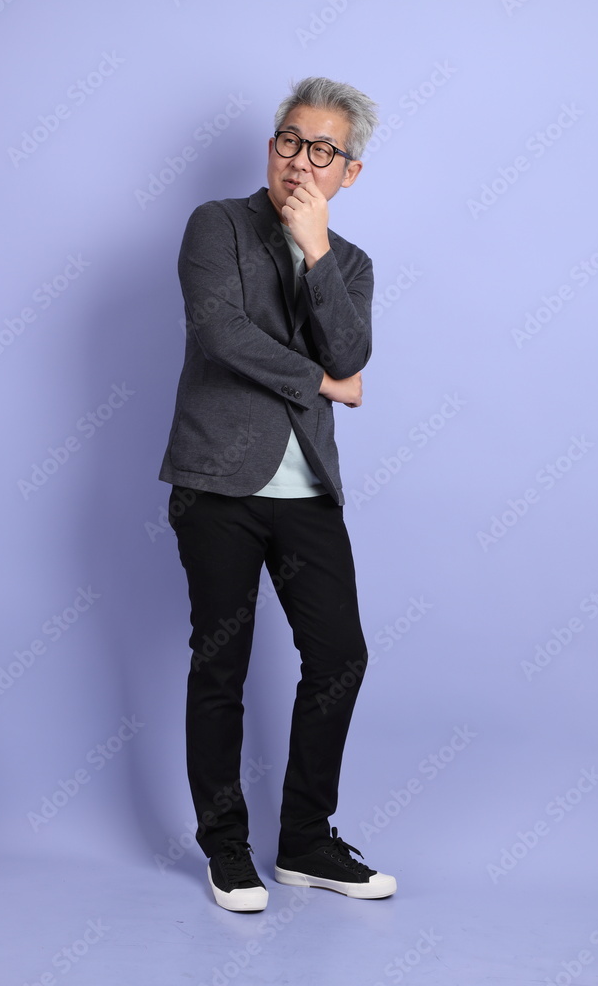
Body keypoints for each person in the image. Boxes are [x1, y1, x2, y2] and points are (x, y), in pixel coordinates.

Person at [159, 77, 396, 911]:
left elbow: (351, 349)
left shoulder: (351, 262)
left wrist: (315, 249)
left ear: (348, 172)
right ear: (271, 148)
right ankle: (226, 847)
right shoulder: (217, 225)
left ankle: (304, 841)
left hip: (307, 491)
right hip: (216, 482)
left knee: (338, 656)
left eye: (322, 150)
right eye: (290, 141)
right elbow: (219, 332)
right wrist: (326, 385)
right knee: (219, 663)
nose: (301, 160)